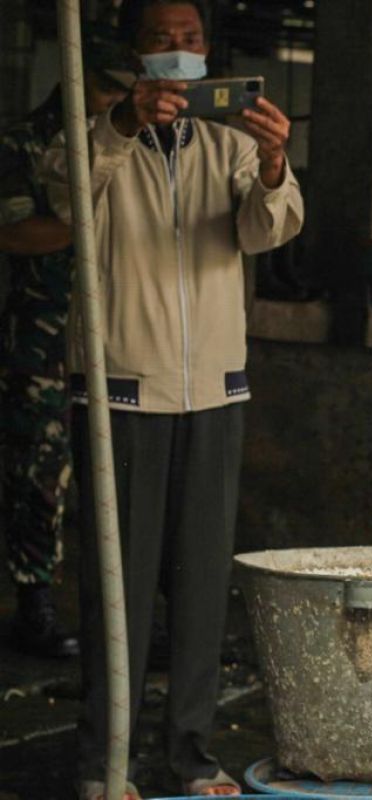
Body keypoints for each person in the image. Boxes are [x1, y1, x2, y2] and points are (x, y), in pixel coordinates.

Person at [42, 1, 303, 797]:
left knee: (197, 592)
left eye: (191, 40)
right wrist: (121, 123)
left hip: (215, 392)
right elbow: (63, 194)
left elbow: (269, 231)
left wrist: (271, 164)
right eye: (165, 40)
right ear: (135, 56)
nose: (181, 53)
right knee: (114, 592)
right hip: (121, 394)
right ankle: (105, 763)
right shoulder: (94, 139)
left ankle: (190, 756)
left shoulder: (226, 143)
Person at [0, 36, 129, 659]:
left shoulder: (130, 141)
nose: (116, 101)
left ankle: (119, 614)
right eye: (107, 87)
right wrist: (93, 228)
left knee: (111, 473)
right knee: (39, 471)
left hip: (114, 336)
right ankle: (35, 605)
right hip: (43, 336)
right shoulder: (24, 141)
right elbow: (17, 233)